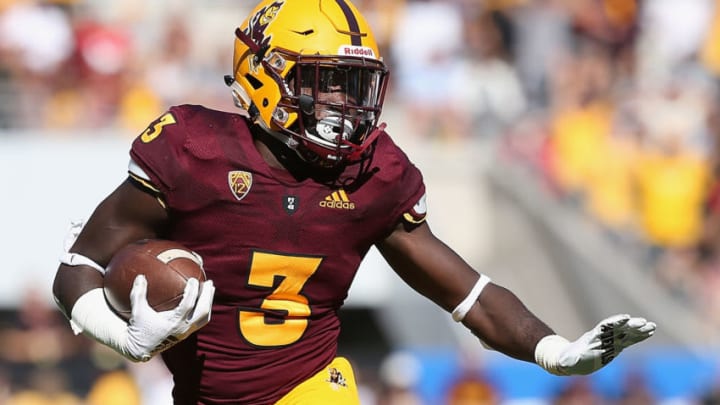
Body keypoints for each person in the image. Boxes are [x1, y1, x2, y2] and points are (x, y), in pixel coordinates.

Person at [51, 1, 657, 404]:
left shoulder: (373, 172)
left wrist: (555, 350)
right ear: (265, 75)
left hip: (313, 388)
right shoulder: (195, 150)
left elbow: (466, 293)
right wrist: (122, 337)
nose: (345, 102)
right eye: (327, 81)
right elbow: (77, 268)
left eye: (355, 85)